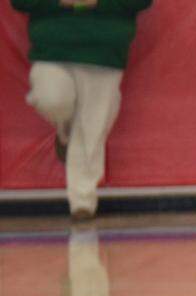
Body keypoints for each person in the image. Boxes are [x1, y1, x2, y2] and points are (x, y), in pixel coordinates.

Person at [11, 0, 152, 221]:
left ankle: (82, 202)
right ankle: (65, 132)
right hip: (51, 48)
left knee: (93, 125)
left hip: (105, 48)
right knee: (51, 98)